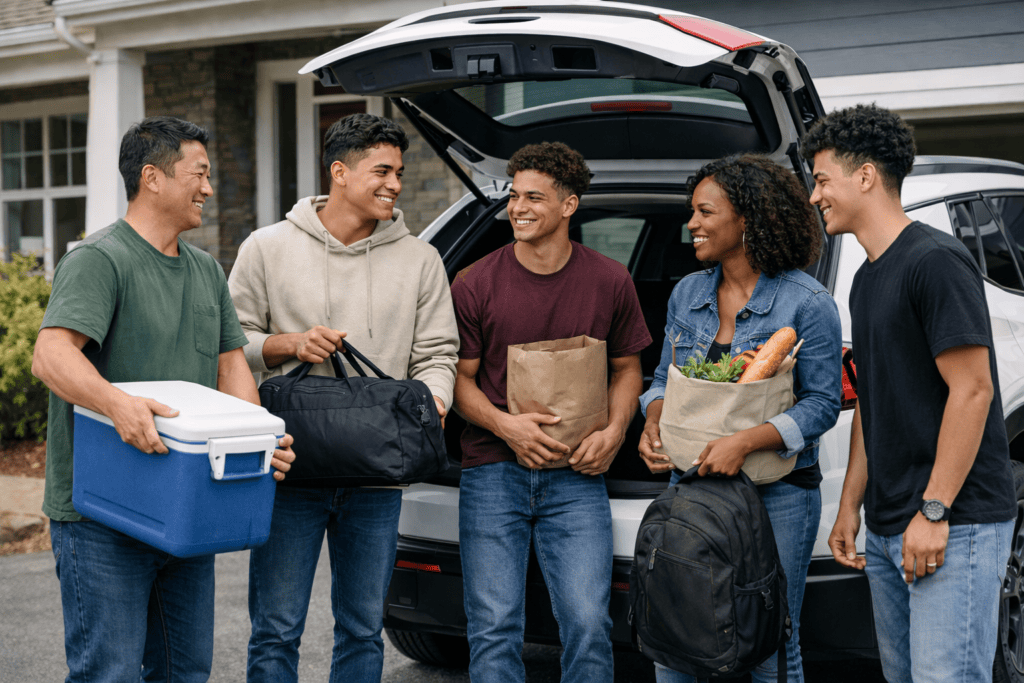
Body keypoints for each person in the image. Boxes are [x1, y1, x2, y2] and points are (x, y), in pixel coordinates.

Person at [31, 115, 296, 682]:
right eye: (198, 174)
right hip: (102, 513)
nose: (208, 188)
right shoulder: (99, 260)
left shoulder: (205, 271)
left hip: (184, 505)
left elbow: (231, 366)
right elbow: (51, 356)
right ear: (152, 177)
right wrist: (116, 405)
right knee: (110, 673)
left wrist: (260, 438)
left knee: (185, 671)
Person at [228, 112, 459, 682]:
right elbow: (228, 343)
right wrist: (289, 343)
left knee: (362, 629)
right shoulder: (266, 248)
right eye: (382, 171)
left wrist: (434, 403)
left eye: (399, 172)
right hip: (289, 470)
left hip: (376, 477)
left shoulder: (420, 259)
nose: (395, 184)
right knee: (276, 628)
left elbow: (438, 353)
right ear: (339, 172)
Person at [806, 104, 1016, 683]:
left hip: (955, 521)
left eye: (822, 180)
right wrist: (850, 505)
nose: (815, 196)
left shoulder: (935, 261)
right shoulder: (866, 279)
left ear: (865, 175)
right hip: (888, 525)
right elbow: (873, 403)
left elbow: (973, 391)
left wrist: (934, 509)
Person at [450, 141, 651, 683]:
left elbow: (627, 369)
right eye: (514, 196)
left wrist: (615, 431)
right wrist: (506, 426)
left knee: (588, 623)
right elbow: (458, 383)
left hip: (577, 477)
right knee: (494, 627)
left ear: (568, 205)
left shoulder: (609, 280)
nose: (518, 208)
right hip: (493, 470)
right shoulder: (474, 283)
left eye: (533, 197)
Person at [638, 154, 843, 683]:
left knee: (770, 640)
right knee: (678, 630)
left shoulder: (807, 303)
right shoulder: (687, 293)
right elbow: (661, 379)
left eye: (705, 212)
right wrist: (653, 422)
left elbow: (822, 404)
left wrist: (746, 441)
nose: (692, 223)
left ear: (748, 218)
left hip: (778, 493)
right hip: (693, 486)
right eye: (692, 212)